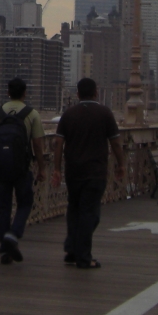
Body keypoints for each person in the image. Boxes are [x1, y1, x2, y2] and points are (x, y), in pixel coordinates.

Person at [52, 77, 125, 269]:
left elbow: (58, 143)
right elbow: (115, 142)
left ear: (77, 94)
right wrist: (121, 164)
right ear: (96, 92)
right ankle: (83, 257)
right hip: (95, 171)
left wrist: (57, 169)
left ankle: (71, 249)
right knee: (90, 213)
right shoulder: (104, 113)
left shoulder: (69, 114)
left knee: (74, 209)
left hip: (73, 170)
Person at [0, 77, 46, 264]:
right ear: (25, 93)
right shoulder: (32, 114)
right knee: (25, 203)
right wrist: (42, 168)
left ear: (8, 93)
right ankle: (14, 234)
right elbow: (38, 144)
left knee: (4, 207)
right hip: (21, 168)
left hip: (0, 168)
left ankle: (5, 249)